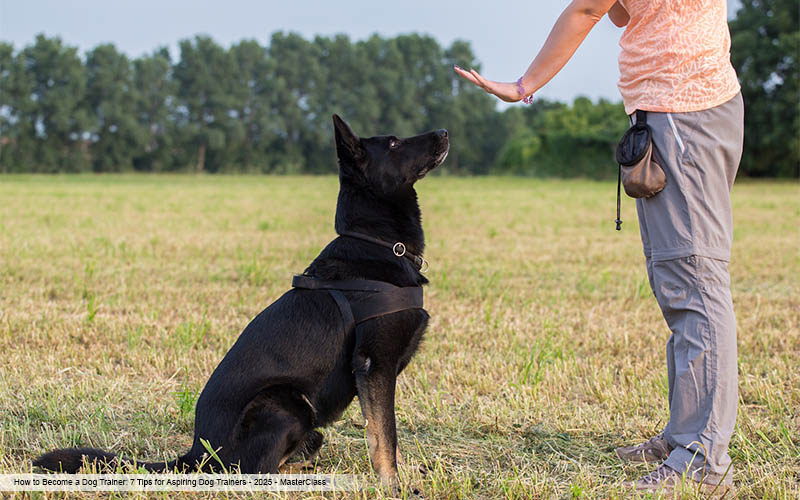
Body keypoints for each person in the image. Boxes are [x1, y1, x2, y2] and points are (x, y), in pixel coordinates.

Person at [455, 0, 743, 495]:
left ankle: (703, 459)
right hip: (682, 109)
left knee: (695, 285)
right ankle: (684, 436)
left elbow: (589, 9)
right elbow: (622, 13)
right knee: (679, 285)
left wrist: (524, 86)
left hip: (683, 113)